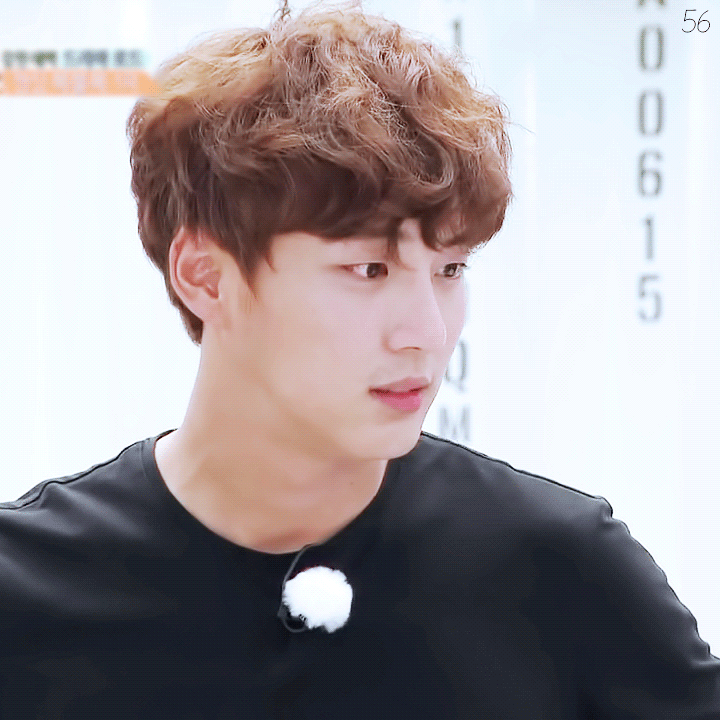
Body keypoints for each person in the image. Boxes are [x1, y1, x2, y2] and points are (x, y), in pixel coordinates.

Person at [1, 3, 719, 718]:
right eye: (369, 270)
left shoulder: (561, 572)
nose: (427, 332)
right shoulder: (25, 594)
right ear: (206, 277)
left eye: (450, 270)